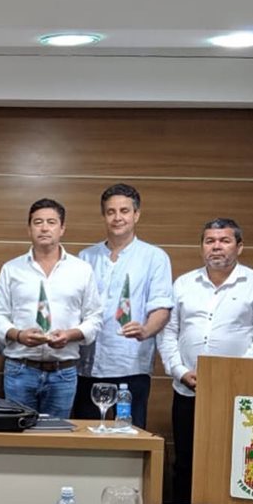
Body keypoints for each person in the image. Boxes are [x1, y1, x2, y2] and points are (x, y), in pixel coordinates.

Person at [158, 218, 253, 504]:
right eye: (209, 241)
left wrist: (233, 378)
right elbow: (168, 334)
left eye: (224, 241)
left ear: (239, 246)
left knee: (233, 461)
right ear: (202, 247)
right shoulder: (184, 283)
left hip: (240, 395)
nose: (216, 247)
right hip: (189, 389)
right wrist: (180, 371)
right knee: (186, 459)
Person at [0, 198, 102, 418]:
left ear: (62, 228)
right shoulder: (12, 269)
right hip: (20, 369)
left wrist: (70, 335)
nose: (44, 227)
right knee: (17, 436)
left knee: (56, 440)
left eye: (51, 222)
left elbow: (94, 318)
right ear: (29, 229)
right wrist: (19, 335)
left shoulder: (81, 270)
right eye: (37, 222)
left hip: (63, 371)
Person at [75, 184, 173, 430]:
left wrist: (146, 330)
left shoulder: (154, 257)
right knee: (86, 436)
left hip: (130, 364)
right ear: (104, 216)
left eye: (124, 211)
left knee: (128, 435)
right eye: (111, 212)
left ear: (136, 214)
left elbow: (161, 307)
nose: (117, 217)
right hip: (87, 366)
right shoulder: (86, 257)